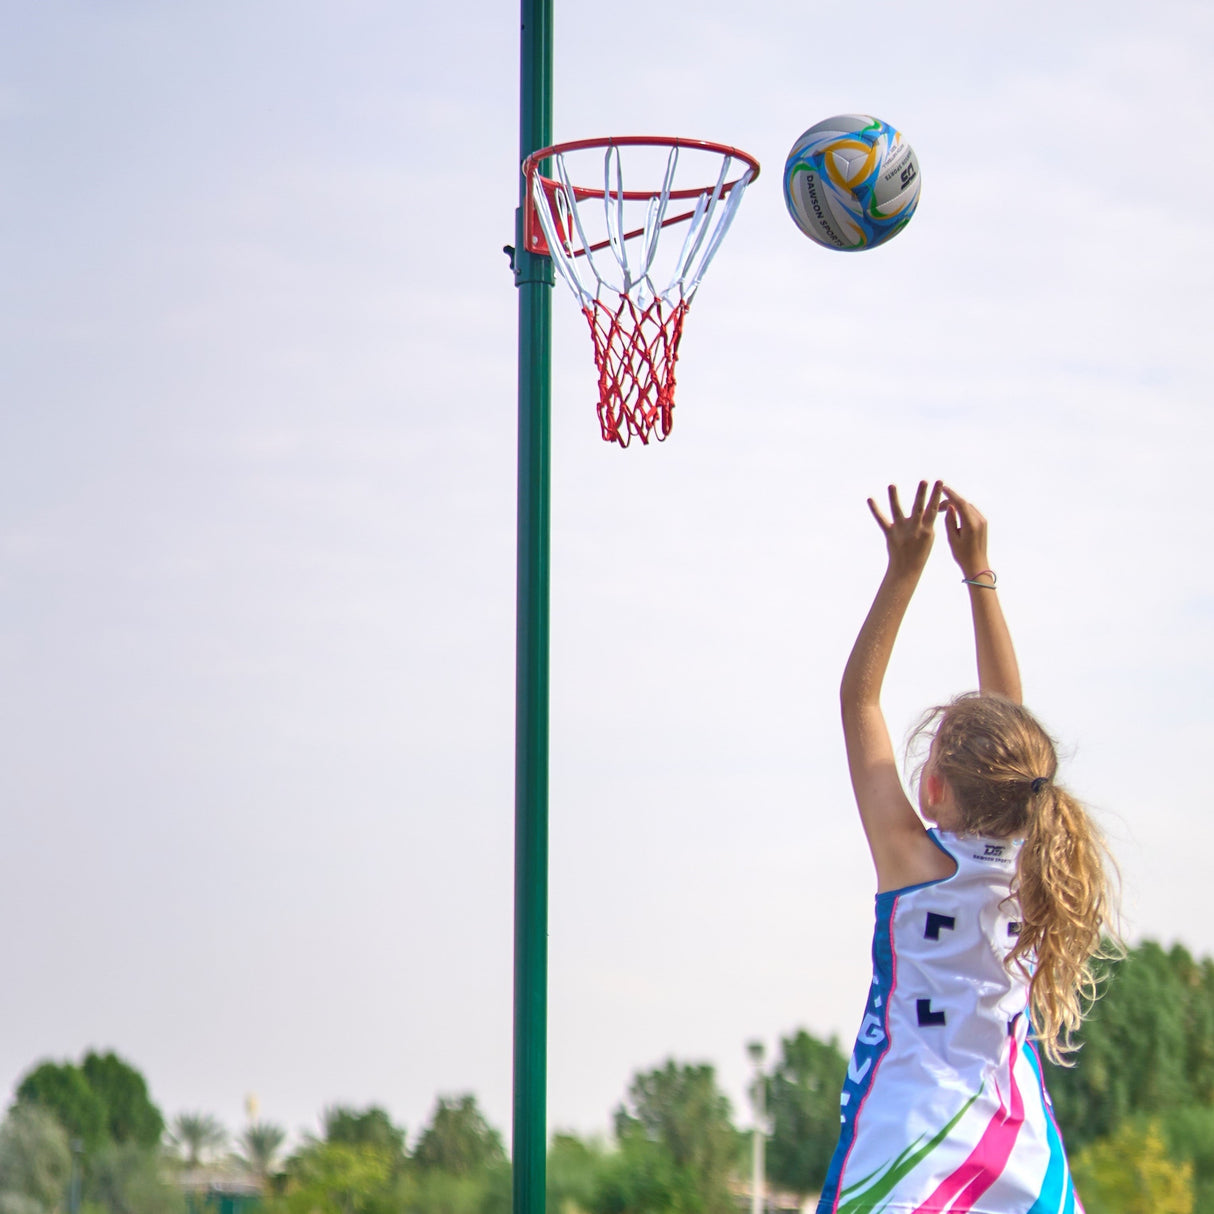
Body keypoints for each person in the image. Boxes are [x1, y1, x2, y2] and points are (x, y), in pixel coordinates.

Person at [816, 480, 1116, 1214]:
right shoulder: (1033, 871)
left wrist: (902, 573)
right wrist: (976, 572)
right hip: (1018, 1150)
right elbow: (1009, 719)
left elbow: (860, 700)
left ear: (936, 793)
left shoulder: (912, 865)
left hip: (906, 1147)